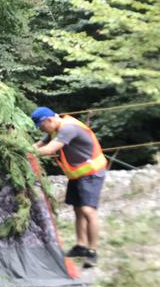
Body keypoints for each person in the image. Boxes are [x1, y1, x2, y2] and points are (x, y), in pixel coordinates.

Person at [31, 107, 107, 267]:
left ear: (49, 120)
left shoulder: (68, 128)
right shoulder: (55, 129)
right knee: (78, 209)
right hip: (77, 174)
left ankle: (92, 252)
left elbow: (50, 149)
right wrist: (24, 149)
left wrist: (28, 154)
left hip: (91, 172)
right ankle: (81, 246)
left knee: (88, 211)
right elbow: (39, 144)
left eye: (42, 126)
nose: (42, 130)